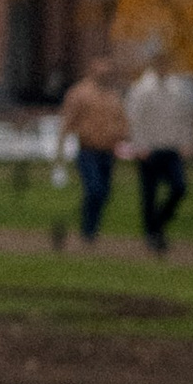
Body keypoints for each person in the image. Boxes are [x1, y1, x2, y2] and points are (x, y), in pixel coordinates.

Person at [124, 51, 193, 255]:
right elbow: (135, 119)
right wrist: (140, 145)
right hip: (150, 148)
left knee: (179, 186)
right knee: (149, 192)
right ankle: (152, 233)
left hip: (171, 147)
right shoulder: (142, 89)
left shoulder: (177, 88)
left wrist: (186, 142)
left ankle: (159, 220)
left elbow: (185, 118)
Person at [57, 57, 127, 246]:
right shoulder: (80, 94)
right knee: (94, 189)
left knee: (104, 192)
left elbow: (122, 122)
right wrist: (60, 154)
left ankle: (91, 227)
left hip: (108, 151)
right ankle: (88, 230)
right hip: (88, 150)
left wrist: (122, 136)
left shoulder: (113, 96)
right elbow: (67, 123)